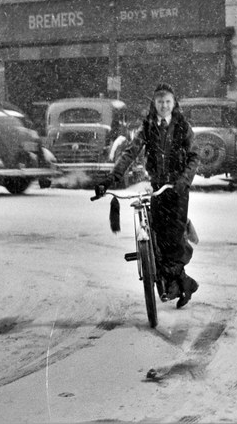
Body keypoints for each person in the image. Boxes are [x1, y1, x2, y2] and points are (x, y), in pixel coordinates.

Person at [96, 83, 200, 308]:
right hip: (157, 187)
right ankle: (180, 283)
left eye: (168, 102)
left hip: (178, 189)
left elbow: (194, 157)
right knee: (158, 237)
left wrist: (183, 181)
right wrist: (113, 177)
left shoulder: (183, 126)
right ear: (154, 104)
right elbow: (131, 152)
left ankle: (180, 284)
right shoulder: (148, 127)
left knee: (173, 240)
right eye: (160, 102)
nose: (164, 106)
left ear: (174, 103)